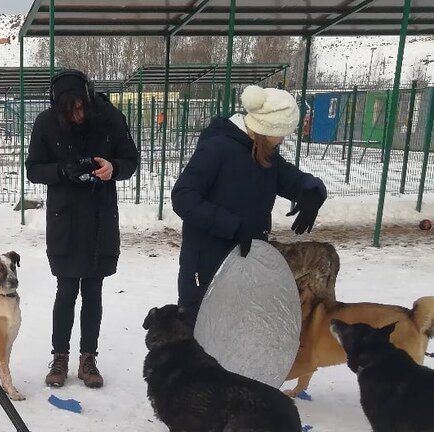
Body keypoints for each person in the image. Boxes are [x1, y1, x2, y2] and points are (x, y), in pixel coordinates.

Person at [171, 84, 327, 323]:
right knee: (203, 339)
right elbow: (183, 197)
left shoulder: (264, 154)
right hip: (207, 266)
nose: (283, 138)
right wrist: (233, 227)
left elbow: (294, 180)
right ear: (267, 128)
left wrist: (313, 192)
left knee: (240, 335)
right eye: (282, 132)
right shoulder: (216, 149)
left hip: (246, 262)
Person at [26, 69, 138, 388]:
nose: (76, 116)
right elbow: (33, 169)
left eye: (80, 108)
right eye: (68, 110)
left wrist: (113, 168)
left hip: (100, 219)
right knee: (66, 290)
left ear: (88, 99)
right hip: (65, 220)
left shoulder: (110, 118)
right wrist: (62, 170)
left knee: (93, 290)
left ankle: (88, 358)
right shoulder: (46, 123)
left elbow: (130, 160)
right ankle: (59, 357)